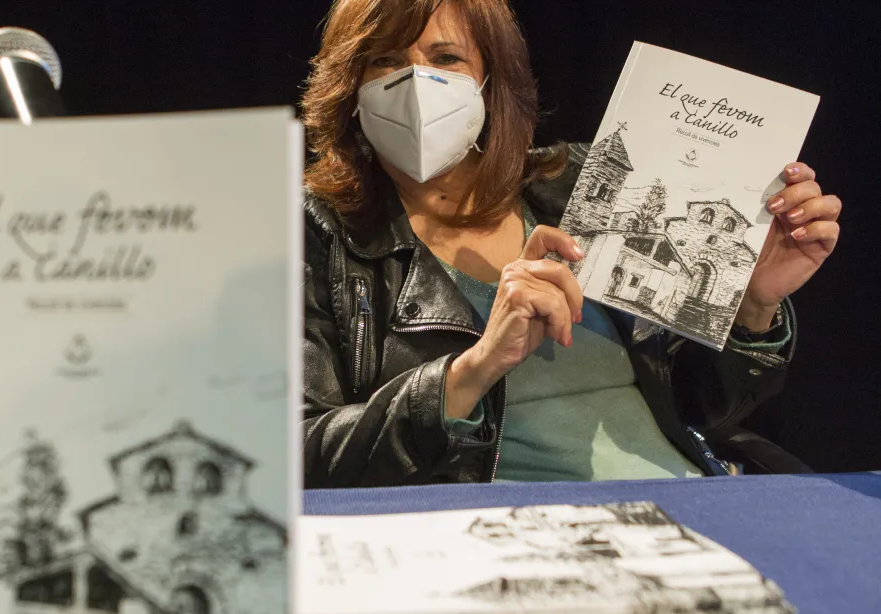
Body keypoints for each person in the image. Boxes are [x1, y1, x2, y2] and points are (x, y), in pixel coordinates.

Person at [300, 0, 842, 487]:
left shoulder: (578, 185)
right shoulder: (318, 230)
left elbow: (703, 407)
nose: (416, 82)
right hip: (507, 537)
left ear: (491, 79)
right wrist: (473, 370)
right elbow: (294, 453)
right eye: (385, 61)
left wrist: (752, 306)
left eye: (446, 59)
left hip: (688, 497)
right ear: (349, 86)